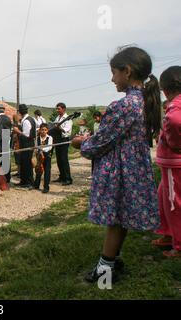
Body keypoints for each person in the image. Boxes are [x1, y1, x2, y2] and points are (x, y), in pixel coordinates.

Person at [75, 46, 161, 282]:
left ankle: (104, 272)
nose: (112, 78)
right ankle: (113, 259)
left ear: (127, 71)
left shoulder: (123, 106)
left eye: (114, 73)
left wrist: (80, 144)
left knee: (114, 221)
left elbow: (100, 143)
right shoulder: (145, 101)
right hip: (134, 167)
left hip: (121, 171)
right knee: (121, 218)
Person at [153, 66, 181, 258]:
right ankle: (168, 233)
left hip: (174, 163)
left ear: (166, 90)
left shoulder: (175, 107)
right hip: (170, 165)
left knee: (174, 204)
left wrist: (175, 143)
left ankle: (179, 245)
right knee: (163, 197)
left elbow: (175, 121)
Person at [13, 104, 36, 188]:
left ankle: (29, 182)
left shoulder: (26, 121)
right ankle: (23, 181)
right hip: (27, 144)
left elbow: (27, 135)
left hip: (27, 144)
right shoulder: (31, 119)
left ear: (20, 112)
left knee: (27, 164)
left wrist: (17, 131)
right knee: (23, 163)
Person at [52, 103, 73, 186]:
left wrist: (59, 128)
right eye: (57, 109)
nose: (57, 110)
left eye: (59, 109)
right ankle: (62, 176)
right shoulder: (58, 117)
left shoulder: (68, 119)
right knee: (59, 159)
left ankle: (68, 178)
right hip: (57, 139)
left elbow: (67, 130)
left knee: (64, 159)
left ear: (64, 109)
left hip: (64, 139)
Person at [0, 105, 12, 183]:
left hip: (0, 141)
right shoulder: (8, 118)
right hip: (7, 140)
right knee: (6, 159)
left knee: (0, 159)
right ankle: (7, 178)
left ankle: (1, 179)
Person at [33, 123, 53, 194]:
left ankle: (46, 187)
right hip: (39, 156)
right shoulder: (37, 138)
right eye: (42, 130)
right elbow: (36, 146)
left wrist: (42, 149)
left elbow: (49, 147)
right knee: (38, 169)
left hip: (47, 156)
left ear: (47, 131)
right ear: (40, 130)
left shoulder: (49, 138)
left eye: (45, 130)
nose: (43, 131)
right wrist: (38, 151)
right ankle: (36, 184)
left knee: (47, 171)